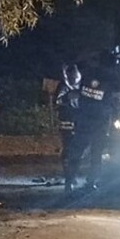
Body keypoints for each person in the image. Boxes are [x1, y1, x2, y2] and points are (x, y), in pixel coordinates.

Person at [62, 65, 113, 192]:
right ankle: (90, 183)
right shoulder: (108, 85)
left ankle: (70, 183)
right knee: (95, 156)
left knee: (77, 154)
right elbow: (112, 106)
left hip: (84, 125)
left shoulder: (83, 82)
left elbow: (70, 97)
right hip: (97, 127)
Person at [54, 63, 82, 191]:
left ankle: (72, 175)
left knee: (77, 150)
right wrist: (67, 98)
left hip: (79, 120)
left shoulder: (82, 85)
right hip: (66, 120)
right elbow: (58, 101)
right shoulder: (63, 86)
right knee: (68, 148)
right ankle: (69, 177)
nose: (73, 78)